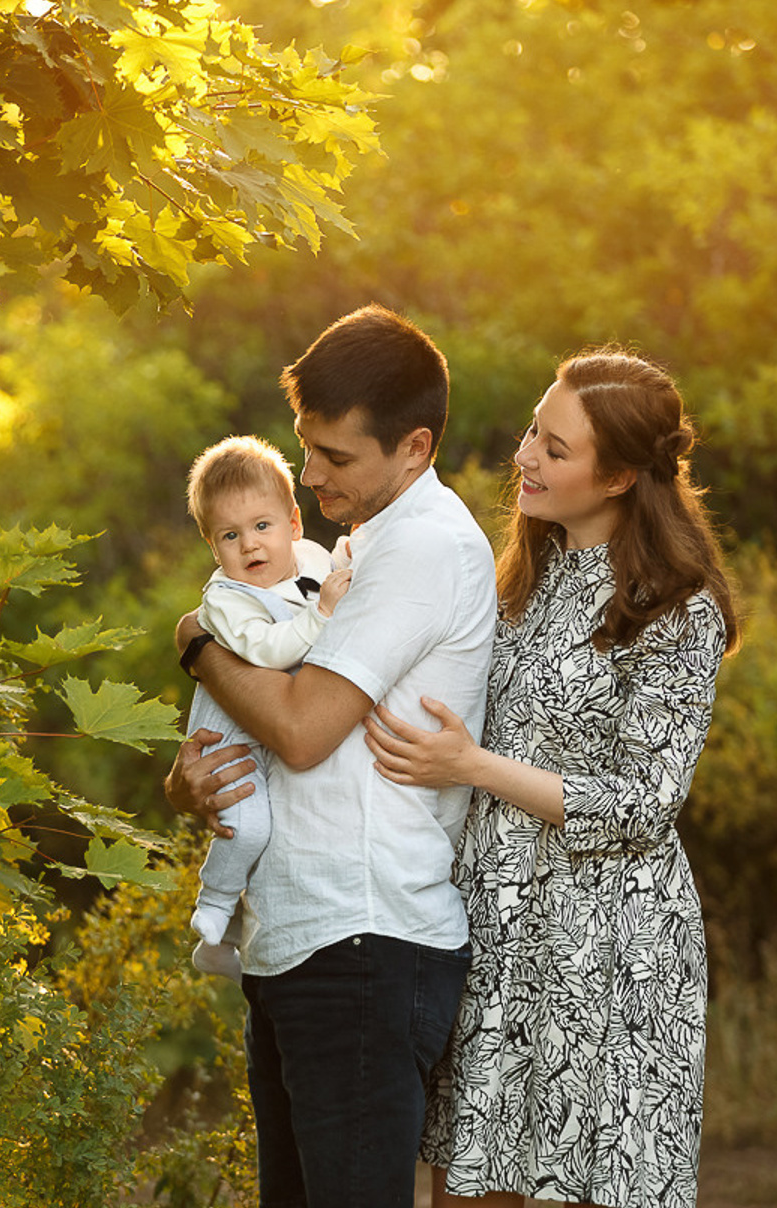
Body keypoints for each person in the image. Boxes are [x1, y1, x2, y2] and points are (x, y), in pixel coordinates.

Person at [362, 347, 740, 1208]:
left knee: (588, 1185)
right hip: (495, 925)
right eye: (534, 430)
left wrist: (474, 765)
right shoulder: (516, 578)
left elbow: (645, 803)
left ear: (617, 479)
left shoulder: (678, 609)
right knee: (468, 1182)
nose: (525, 456)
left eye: (555, 448)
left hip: (610, 949)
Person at [165, 303, 498, 1208]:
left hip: (365, 940)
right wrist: (194, 775)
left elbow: (305, 731)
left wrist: (196, 641)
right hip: (300, 938)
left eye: (337, 458)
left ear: (415, 449)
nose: (308, 476)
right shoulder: (350, 547)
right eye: (306, 448)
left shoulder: (425, 548)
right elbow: (266, 725)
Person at [182, 434, 353, 983]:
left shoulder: (306, 560)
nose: (251, 546)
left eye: (262, 526)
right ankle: (211, 912)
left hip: (265, 725)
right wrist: (322, 616)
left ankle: (229, 934)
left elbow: (333, 570)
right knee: (248, 828)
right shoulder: (226, 599)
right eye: (230, 536)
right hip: (228, 736)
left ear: (294, 524)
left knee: (270, 828)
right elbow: (266, 650)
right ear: (214, 548)